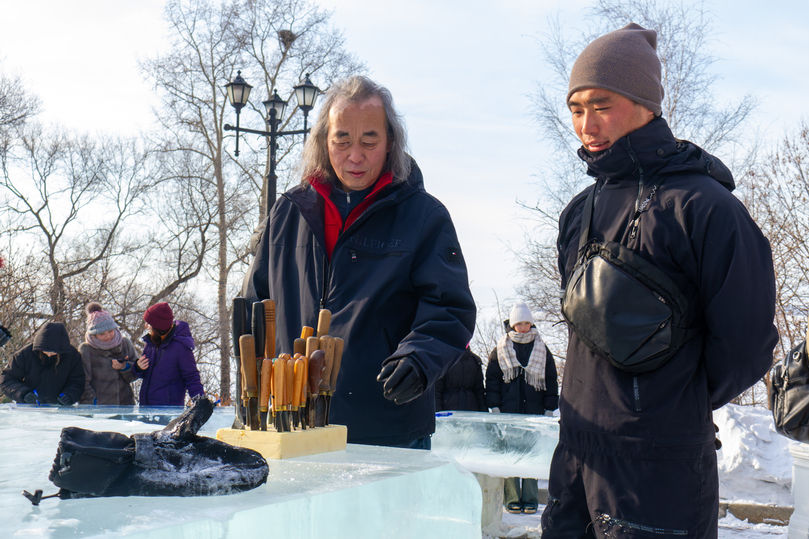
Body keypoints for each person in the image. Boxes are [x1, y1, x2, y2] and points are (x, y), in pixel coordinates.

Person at [544, 23, 778, 537]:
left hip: (661, 468)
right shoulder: (578, 212)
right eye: (576, 109)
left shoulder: (706, 208)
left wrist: (666, 401)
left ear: (645, 102)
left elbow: (748, 344)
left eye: (601, 105)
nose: (587, 124)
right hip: (576, 460)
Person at [246, 75, 476, 448]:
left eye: (369, 139)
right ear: (324, 141)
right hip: (293, 426)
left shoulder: (423, 216)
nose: (355, 155)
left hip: (386, 425)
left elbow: (449, 307)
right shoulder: (288, 212)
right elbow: (255, 306)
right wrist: (259, 388)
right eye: (342, 139)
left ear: (390, 144)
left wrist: (419, 360)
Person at [485, 301, 558, 516]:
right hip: (508, 412)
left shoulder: (542, 349)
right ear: (512, 324)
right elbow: (493, 380)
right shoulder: (500, 348)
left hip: (533, 412)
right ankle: (512, 499)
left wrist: (549, 408)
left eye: (527, 323)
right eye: (519, 323)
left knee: (530, 455)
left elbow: (551, 380)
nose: (523, 327)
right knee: (511, 455)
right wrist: (495, 407)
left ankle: (530, 499)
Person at [134, 302, 204, 406]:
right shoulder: (150, 343)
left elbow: (191, 376)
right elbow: (145, 374)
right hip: (146, 407)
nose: (146, 326)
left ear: (157, 327)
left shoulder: (180, 347)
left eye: (148, 323)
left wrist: (201, 402)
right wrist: (138, 367)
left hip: (169, 411)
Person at [0, 322, 84, 405]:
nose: (49, 354)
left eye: (54, 352)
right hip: (28, 409)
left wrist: (69, 396)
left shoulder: (73, 356)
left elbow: (77, 382)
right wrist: (23, 393)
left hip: (59, 409)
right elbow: (7, 380)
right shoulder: (25, 354)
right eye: (46, 351)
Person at [78, 302, 138, 405]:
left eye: (110, 331)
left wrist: (124, 367)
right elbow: (82, 380)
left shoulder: (125, 344)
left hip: (125, 406)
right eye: (102, 334)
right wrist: (92, 400)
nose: (108, 336)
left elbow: (135, 374)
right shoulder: (86, 349)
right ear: (93, 335)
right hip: (98, 408)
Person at [434, 346, 486, 413]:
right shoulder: (444, 359)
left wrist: (484, 414)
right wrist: (438, 413)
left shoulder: (475, 361)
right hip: (448, 411)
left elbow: (479, 392)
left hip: (472, 411)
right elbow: (436, 390)